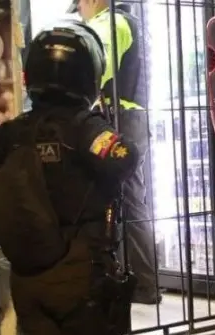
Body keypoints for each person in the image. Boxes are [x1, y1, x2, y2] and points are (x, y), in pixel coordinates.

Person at [0, 19, 139, 335]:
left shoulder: (14, 132)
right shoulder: (86, 128)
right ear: (88, 75)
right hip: (81, 279)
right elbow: (124, 157)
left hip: (28, 278)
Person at [71, 0, 160, 305]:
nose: (80, 12)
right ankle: (140, 282)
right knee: (131, 200)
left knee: (118, 200)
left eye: (79, 6)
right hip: (132, 120)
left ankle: (135, 283)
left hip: (118, 120)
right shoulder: (131, 22)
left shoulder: (110, 23)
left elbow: (94, 70)